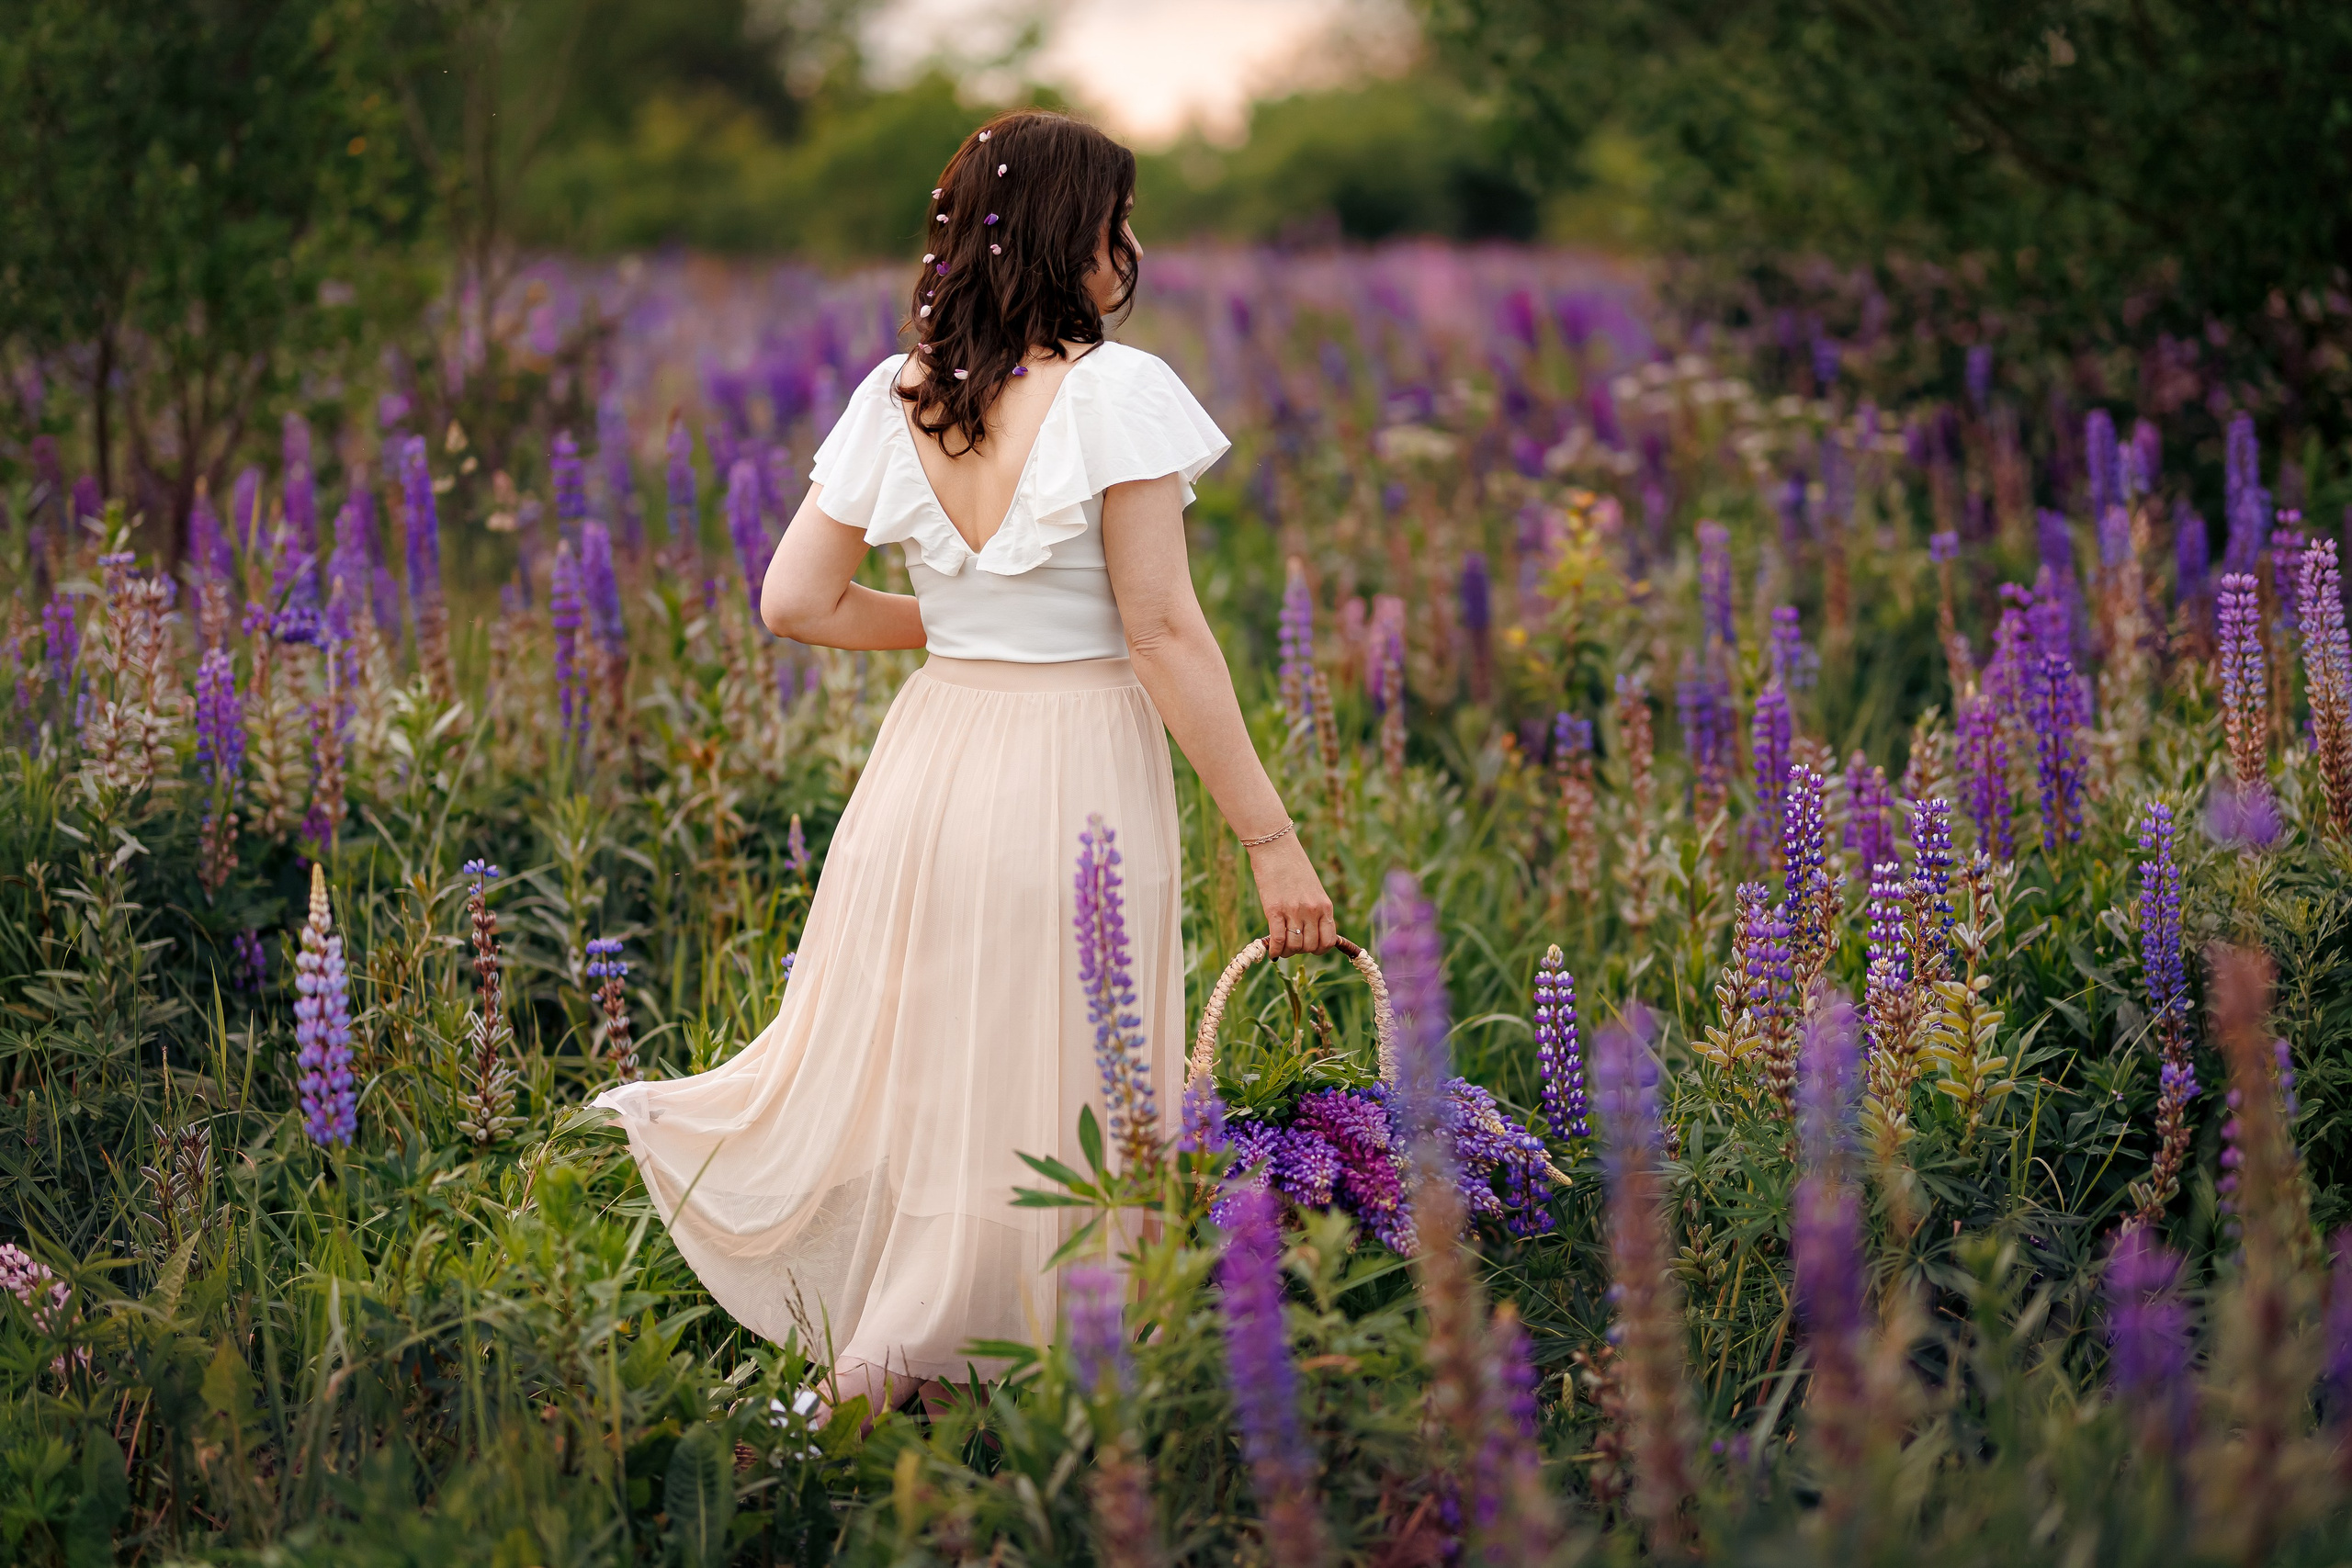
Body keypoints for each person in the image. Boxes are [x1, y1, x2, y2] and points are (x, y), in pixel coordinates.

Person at [591, 108, 1336, 1421]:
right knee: (1071, 1073)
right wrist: (1271, 838)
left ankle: (936, 1364)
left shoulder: (903, 392)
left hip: (933, 762)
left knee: (952, 1066)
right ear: (1070, 236)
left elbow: (796, 603)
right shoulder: (1115, 392)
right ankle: (982, 1364)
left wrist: (955, 623)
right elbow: (1161, 632)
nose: (1133, 246)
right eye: (1116, 219)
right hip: (1077, 768)